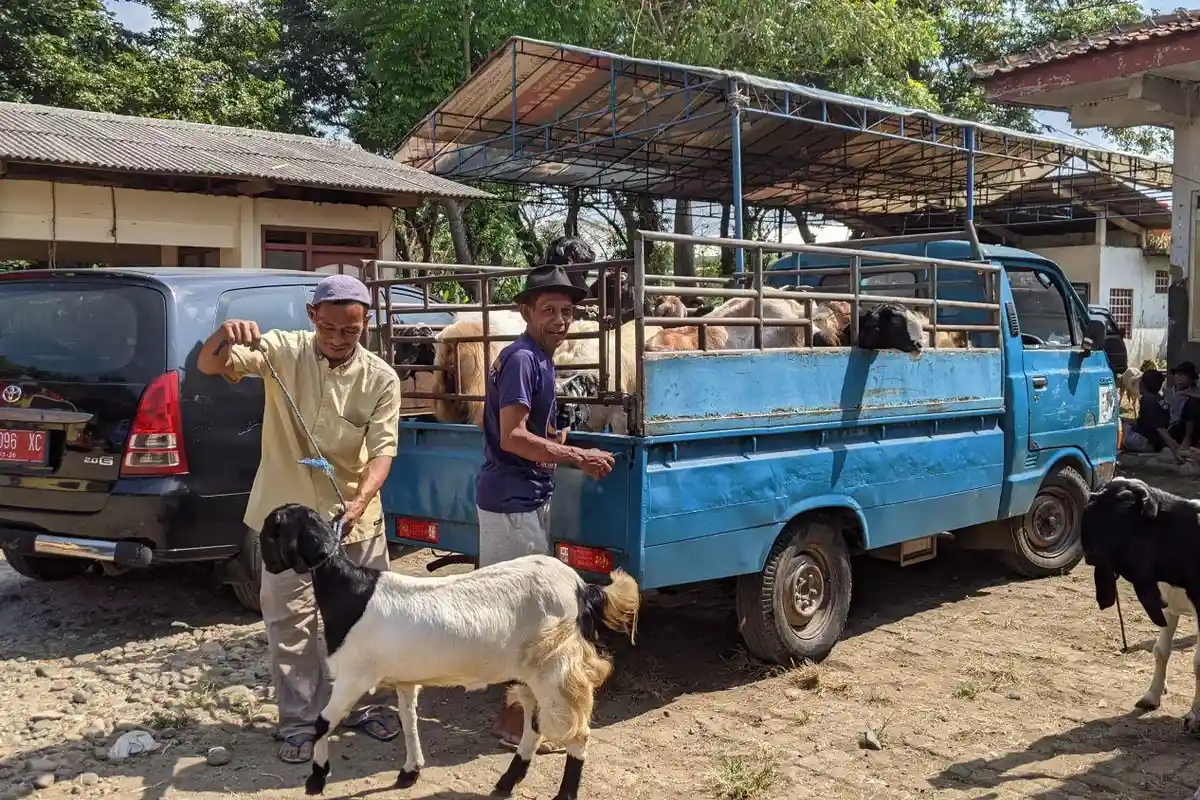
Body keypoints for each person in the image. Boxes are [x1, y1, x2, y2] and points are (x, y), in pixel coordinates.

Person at [196, 274, 403, 764]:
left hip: (354, 518)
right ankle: (298, 723)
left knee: (365, 617)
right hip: (288, 524)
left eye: (349, 331)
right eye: (328, 328)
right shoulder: (281, 351)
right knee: (291, 621)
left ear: (366, 324)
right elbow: (209, 363)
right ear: (312, 318)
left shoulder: (381, 379)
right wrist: (226, 332)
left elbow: (382, 452)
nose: (336, 339)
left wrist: (359, 500)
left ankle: (358, 705)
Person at [475, 262, 616, 749]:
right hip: (513, 503)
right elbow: (513, 437)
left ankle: (515, 717)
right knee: (526, 617)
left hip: (519, 496)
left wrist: (549, 440)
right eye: (549, 310)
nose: (560, 320)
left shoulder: (534, 356)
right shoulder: (522, 358)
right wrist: (576, 455)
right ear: (525, 311)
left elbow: (490, 423)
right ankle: (512, 722)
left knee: (524, 613)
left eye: (567, 311)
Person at [1122, 369, 1179, 457]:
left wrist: (1175, 451)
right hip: (1154, 439)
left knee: (1115, 426)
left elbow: (1160, 428)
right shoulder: (1159, 398)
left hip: (1148, 443)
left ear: (1142, 384)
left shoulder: (1147, 400)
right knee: (1124, 422)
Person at [1165, 361, 1200, 453]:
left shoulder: (1196, 392)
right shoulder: (1167, 392)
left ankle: (1187, 439)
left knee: (1193, 403)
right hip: (1171, 427)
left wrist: (1190, 395)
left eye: (1183, 375)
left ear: (1191, 379)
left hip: (1190, 427)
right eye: (1177, 374)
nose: (1178, 377)